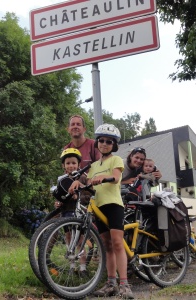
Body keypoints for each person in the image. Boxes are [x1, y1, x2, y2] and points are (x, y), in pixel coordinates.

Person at [69, 124, 134, 299]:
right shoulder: (93, 165)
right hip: (98, 206)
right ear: (97, 142)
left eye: (109, 141)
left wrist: (103, 178)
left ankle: (124, 285)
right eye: (102, 140)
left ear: (114, 145)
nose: (104, 144)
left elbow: (116, 178)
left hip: (113, 205)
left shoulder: (116, 160)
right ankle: (111, 283)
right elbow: (89, 184)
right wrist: (78, 184)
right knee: (106, 246)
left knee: (117, 243)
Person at [52, 148, 89, 277]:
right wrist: (58, 203)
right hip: (66, 212)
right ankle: (72, 266)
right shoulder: (61, 179)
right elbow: (59, 195)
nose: (71, 166)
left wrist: (78, 194)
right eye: (68, 163)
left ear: (79, 165)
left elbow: (88, 192)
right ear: (63, 165)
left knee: (80, 240)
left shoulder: (83, 177)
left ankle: (83, 268)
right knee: (69, 239)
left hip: (79, 212)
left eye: (74, 163)